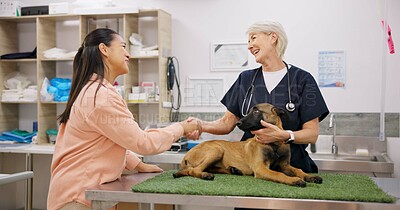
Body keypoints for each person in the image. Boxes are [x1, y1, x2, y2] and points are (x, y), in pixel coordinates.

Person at [47, 28, 201, 210]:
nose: (128, 54)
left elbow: (108, 140)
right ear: (104, 49)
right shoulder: (100, 96)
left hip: (78, 191)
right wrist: (182, 127)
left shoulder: (94, 90)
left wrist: (137, 164)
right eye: (123, 47)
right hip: (78, 196)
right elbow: (142, 142)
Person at [188, 20, 329, 209]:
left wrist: (285, 135)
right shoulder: (246, 79)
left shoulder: (302, 80)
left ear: (273, 37)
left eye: (253, 38)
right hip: (253, 173)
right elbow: (227, 123)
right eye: (248, 41)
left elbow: (312, 134)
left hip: (293, 169)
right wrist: (200, 125)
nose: (249, 46)